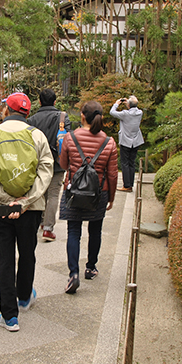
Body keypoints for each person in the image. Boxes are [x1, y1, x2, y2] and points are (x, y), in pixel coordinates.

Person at [0, 92, 53, 331]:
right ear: (27, 113)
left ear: (6, 111)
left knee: (4, 258)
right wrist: (25, 201)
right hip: (30, 208)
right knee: (27, 253)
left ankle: (9, 316)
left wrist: (5, 199)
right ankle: (23, 298)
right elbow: (46, 170)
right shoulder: (37, 136)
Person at [58, 101, 118, 294]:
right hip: (99, 193)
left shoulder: (70, 137)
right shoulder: (109, 142)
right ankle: (91, 267)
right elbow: (113, 173)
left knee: (73, 231)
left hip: (74, 192)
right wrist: (111, 197)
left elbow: (63, 163)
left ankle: (73, 274)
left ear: (82, 116)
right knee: (96, 229)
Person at [27, 88, 72, 241]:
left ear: (39, 102)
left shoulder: (31, 120)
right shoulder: (63, 117)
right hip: (57, 163)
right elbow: (68, 142)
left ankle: (38, 221)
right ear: (55, 101)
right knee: (53, 194)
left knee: (39, 191)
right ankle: (48, 229)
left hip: (37, 163)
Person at [110, 95, 144, 192]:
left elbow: (112, 112)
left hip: (126, 141)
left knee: (124, 163)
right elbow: (133, 109)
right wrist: (128, 104)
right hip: (136, 140)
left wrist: (116, 104)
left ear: (128, 105)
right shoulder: (140, 113)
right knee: (131, 163)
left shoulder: (125, 114)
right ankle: (130, 184)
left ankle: (126, 185)